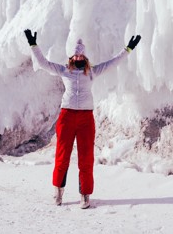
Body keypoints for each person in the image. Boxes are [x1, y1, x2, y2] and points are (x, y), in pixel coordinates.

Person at [23, 29, 141, 209]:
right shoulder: (63, 71)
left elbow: (113, 63)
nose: (78, 58)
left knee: (86, 157)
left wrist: (128, 49)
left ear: (84, 58)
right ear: (71, 57)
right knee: (62, 155)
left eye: (80, 55)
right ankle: (58, 191)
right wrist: (33, 45)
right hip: (67, 116)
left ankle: (85, 195)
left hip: (86, 117)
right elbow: (43, 63)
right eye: (75, 55)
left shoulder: (92, 72)